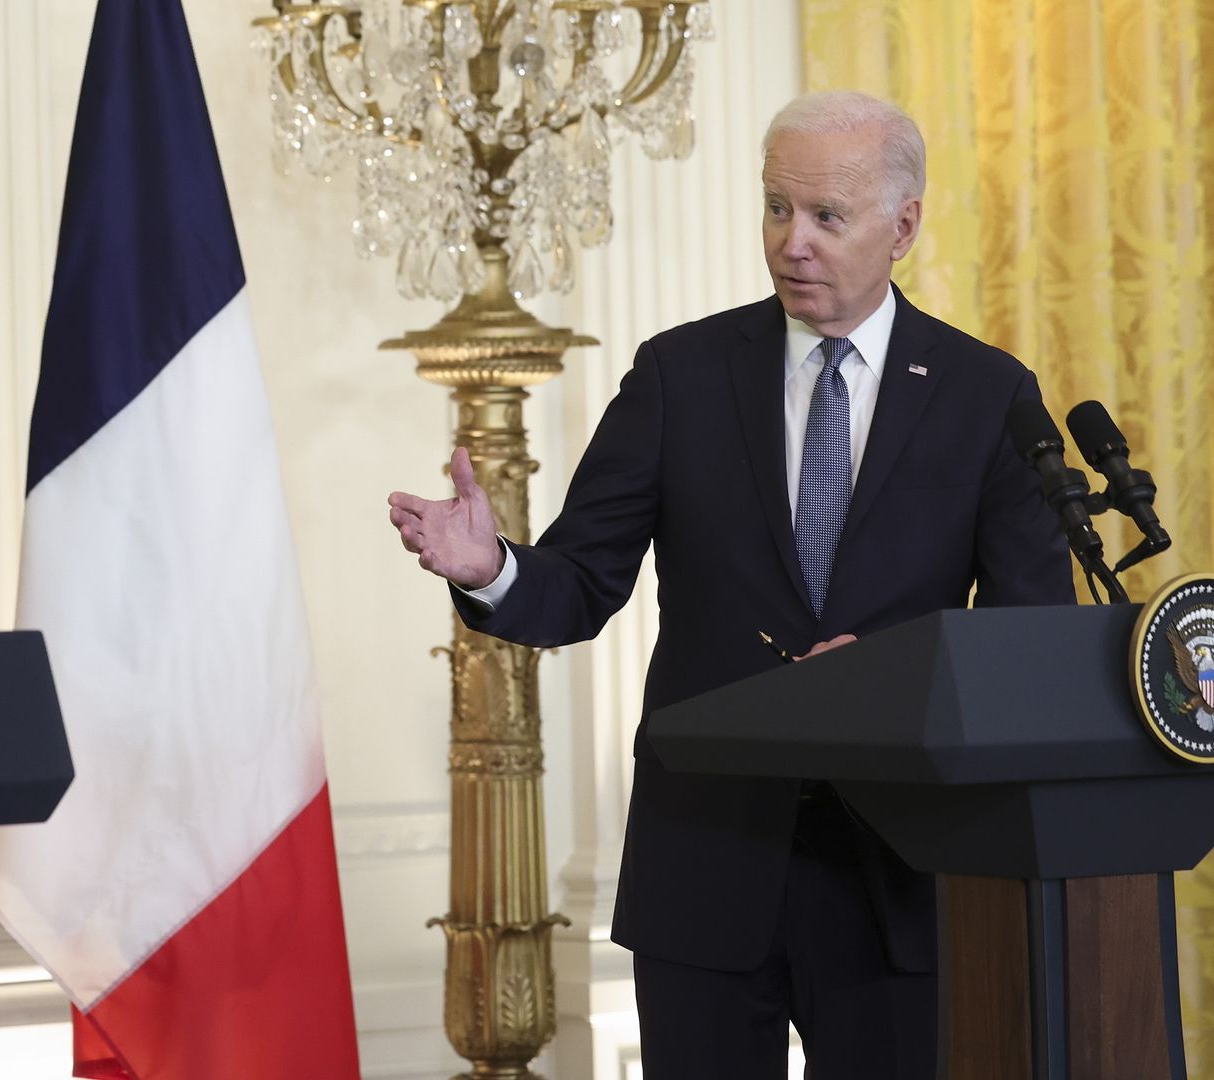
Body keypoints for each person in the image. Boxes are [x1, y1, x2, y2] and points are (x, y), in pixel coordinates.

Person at [387, 91, 1074, 1077]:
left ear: (904, 226)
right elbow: (579, 585)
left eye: (827, 217)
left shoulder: (987, 397)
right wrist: (491, 569)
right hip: (706, 862)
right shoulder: (681, 376)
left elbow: (1028, 640)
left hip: (900, 880)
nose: (792, 242)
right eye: (775, 208)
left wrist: (895, 682)